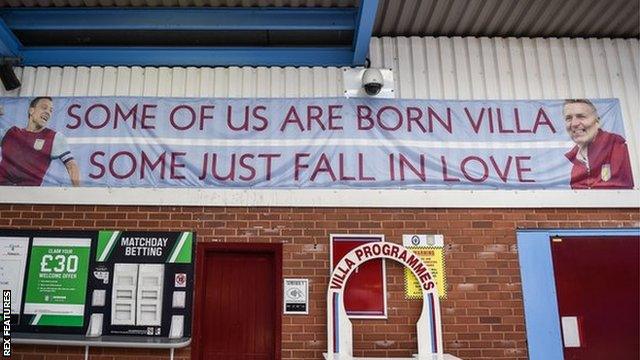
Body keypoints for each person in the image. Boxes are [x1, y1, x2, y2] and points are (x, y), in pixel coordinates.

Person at [0, 97, 80, 186]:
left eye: (51, 110)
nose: (48, 112)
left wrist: (78, 194)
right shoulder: (9, 132)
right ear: (31, 111)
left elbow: (71, 165)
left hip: (28, 196)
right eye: (44, 107)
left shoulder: (54, 138)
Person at [563, 99, 634, 189]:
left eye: (581, 116)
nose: (574, 124)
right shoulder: (576, 166)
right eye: (568, 118)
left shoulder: (620, 149)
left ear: (597, 122)